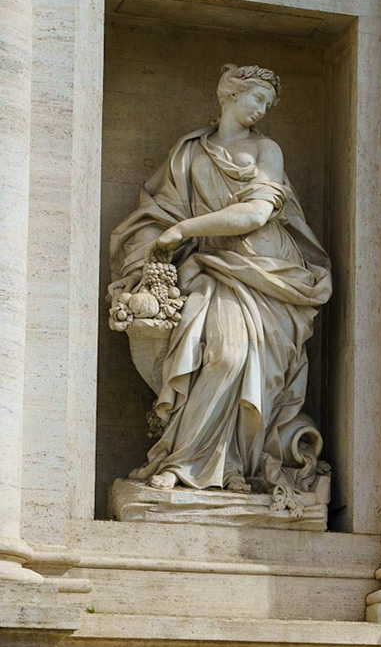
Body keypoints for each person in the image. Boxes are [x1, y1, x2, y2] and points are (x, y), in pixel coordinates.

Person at [106, 64, 332, 495]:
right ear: (229, 93)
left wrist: (184, 232)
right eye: (257, 98)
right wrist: (158, 241)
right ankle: (196, 461)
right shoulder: (189, 152)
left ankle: (234, 465)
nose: (262, 109)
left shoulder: (268, 150)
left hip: (269, 273)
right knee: (223, 356)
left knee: (246, 364)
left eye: (268, 103)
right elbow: (158, 210)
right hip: (211, 266)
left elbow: (256, 213)